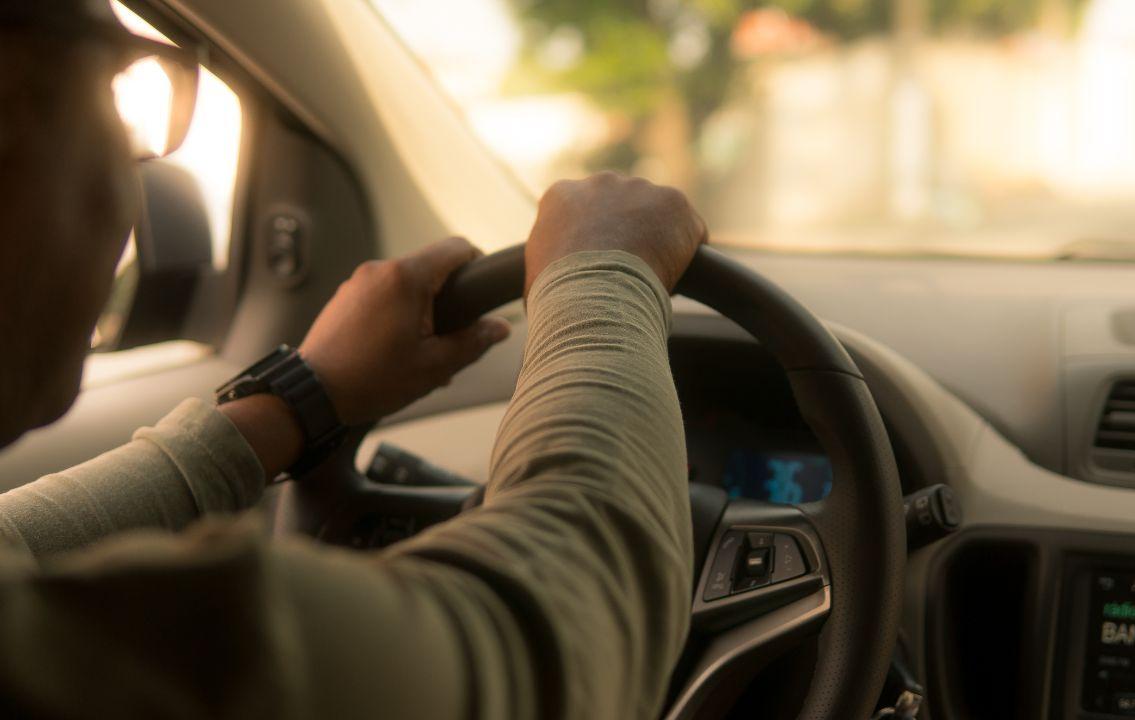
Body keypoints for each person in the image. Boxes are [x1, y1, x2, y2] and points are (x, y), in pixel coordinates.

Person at [0, 1, 707, 717]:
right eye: (114, 91)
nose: (133, 180)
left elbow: (15, 540)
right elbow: (546, 638)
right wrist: (603, 275)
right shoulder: (124, 659)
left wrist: (302, 398)